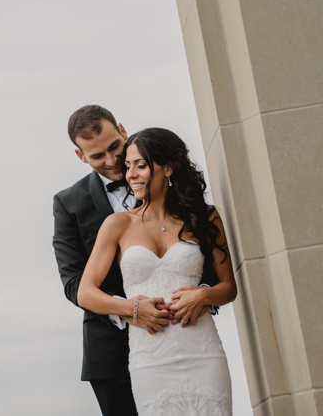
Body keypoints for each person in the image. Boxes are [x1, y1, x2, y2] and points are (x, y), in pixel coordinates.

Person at [78, 127, 236, 415]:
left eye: (140, 165)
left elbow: (228, 287)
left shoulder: (205, 216)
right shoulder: (118, 224)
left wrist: (203, 296)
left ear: (167, 167)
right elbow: (86, 292)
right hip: (150, 359)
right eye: (128, 166)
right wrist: (131, 308)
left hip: (202, 352)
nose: (131, 175)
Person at [53, 105, 144, 416]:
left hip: (178, 336)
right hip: (112, 352)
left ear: (122, 129)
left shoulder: (165, 179)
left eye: (115, 147)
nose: (111, 161)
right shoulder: (68, 204)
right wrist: (128, 309)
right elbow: (73, 283)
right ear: (81, 157)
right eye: (97, 156)